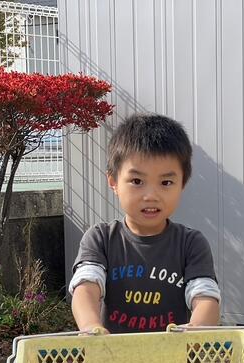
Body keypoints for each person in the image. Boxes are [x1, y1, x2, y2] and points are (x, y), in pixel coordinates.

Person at [69, 114, 221, 333]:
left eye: (166, 182)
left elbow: (205, 296)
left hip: (174, 352)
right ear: (113, 182)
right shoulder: (101, 239)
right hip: (111, 352)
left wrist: (195, 331)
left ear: (182, 184)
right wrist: (91, 327)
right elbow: (86, 287)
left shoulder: (191, 244)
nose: (151, 196)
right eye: (137, 181)